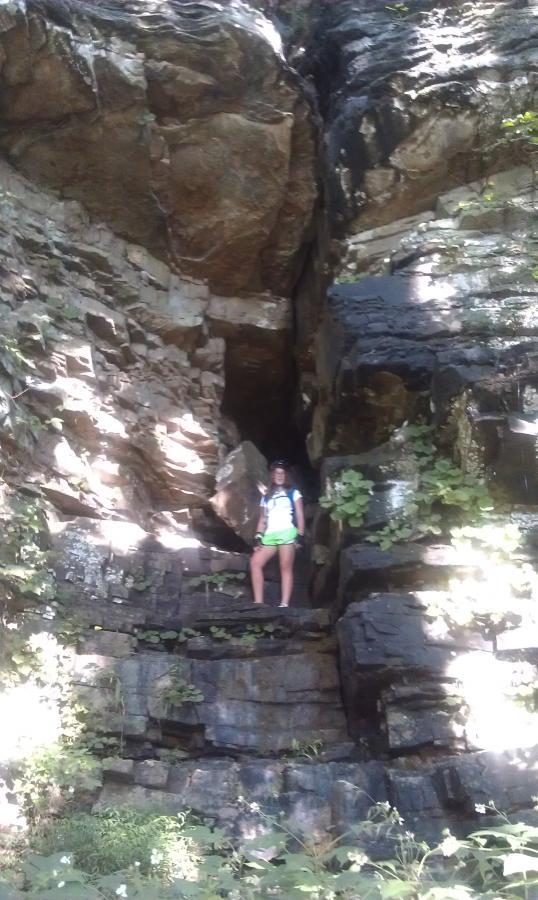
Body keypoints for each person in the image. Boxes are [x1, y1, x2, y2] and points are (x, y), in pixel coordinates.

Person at [250, 460, 305, 607]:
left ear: (286, 475)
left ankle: (284, 603)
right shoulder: (266, 496)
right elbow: (263, 518)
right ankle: (258, 603)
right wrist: (258, 536)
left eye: (282, 473)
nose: (279, 475)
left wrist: (300, 535)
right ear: (272, 476)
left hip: (287, 532)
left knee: (285, 566)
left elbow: (299, 515)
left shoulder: (294, 493)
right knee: (255, 563)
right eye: (276, 473)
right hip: (270, 535)